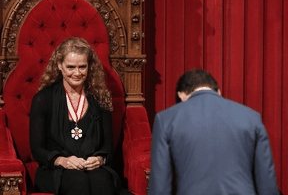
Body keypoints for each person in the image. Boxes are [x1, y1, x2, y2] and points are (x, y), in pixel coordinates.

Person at [148, 69, 279, 195]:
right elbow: (266, 181)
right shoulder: (252, 117)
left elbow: (160, 185)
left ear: (181, 94)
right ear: (219, 92)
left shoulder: (166, 119)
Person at [30, 37, 120, 195]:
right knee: (78, 181)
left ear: (89, 67)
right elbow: (37, 149)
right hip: (55, 169)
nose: (77, 73)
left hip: (91, 166)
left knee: (101, 181)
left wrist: (100, 159)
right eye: (70, 67)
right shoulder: (43, 99)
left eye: (82, 67)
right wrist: (62, 161)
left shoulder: (100, 97)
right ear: (59, 66)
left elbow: (107, 145)